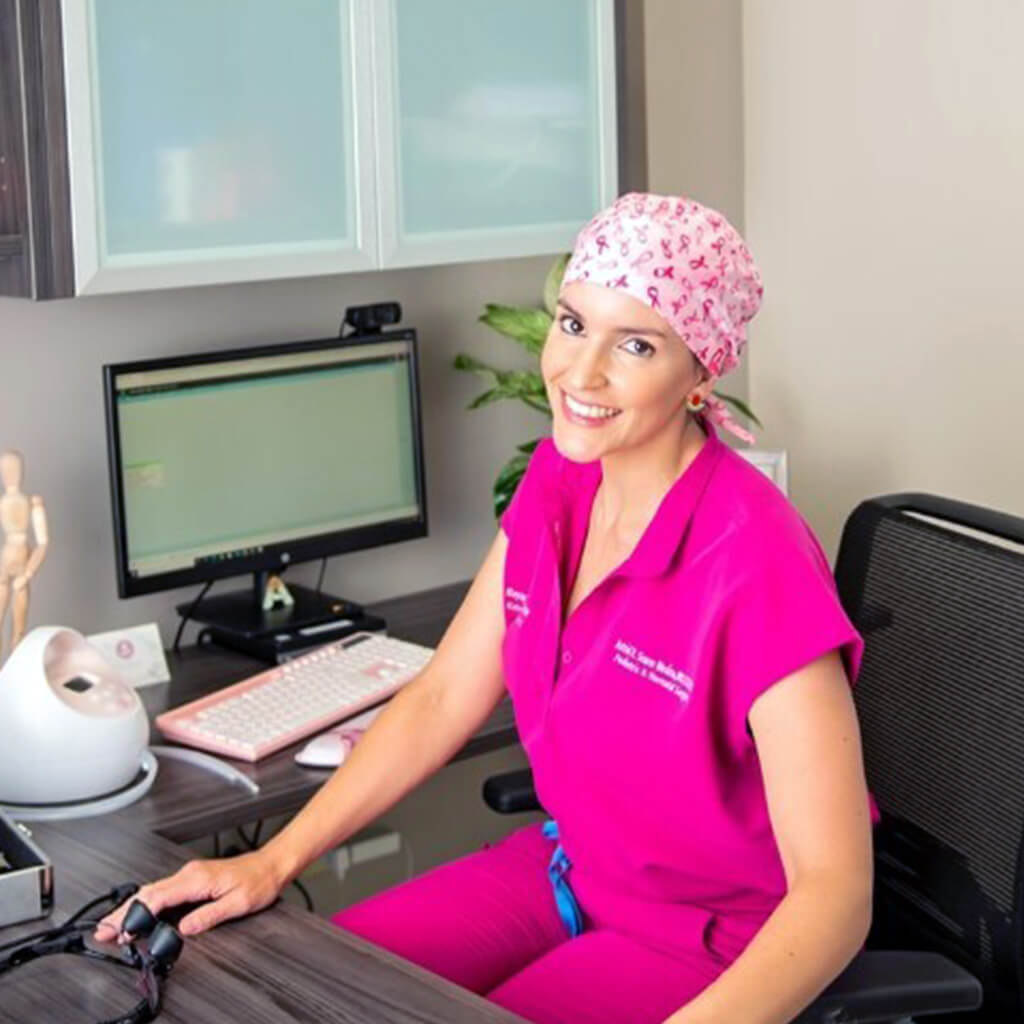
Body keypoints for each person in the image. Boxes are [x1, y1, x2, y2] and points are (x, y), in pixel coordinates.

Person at [95, 193, 874, 1024]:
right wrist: (272, 862)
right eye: (574, 325)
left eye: (636, 344)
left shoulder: (754, 560)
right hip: (568, 870)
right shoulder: (562, 482)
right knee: (289, 984)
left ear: (702, 372)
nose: (581, 374)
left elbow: (835, 896)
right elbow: (438, 699)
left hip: (703, 937)